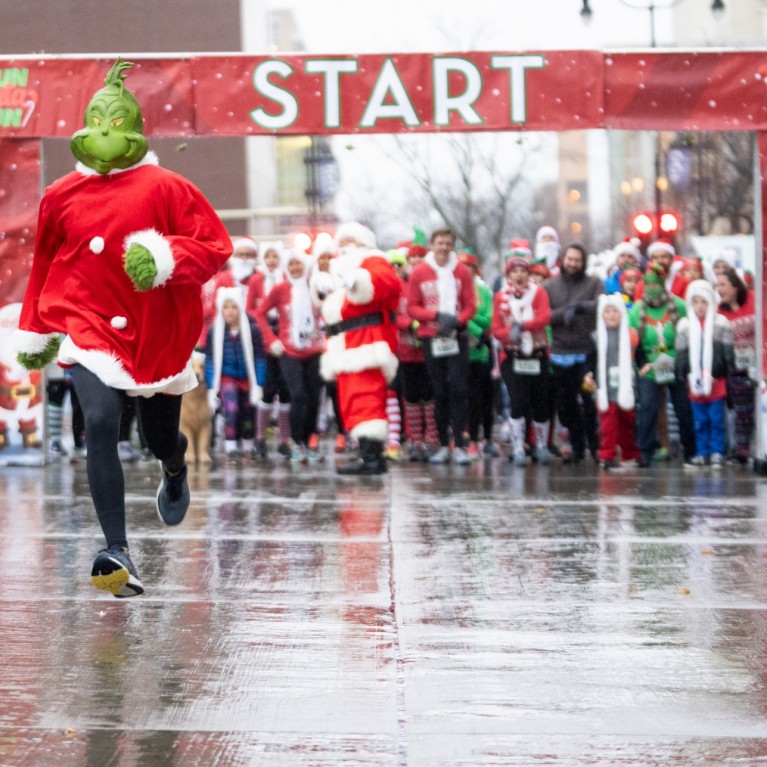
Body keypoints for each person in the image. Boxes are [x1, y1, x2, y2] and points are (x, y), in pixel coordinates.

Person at [13, 59, 232, 597]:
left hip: (155, 335)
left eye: (117, 123)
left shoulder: (169, 187)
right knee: (103, 418)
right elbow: (43, 265)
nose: (106, 132)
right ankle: (118, 549)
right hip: (88, 329)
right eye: (98, 121)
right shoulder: (59, 195)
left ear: (133, 130)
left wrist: (164, 257)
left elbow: (215, 247)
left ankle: (175, 463)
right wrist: (36, 327)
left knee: (157, 436)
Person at [317, 222, 401, 475]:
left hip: (365, 342)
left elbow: (387, 283)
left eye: (349, 241)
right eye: (340, 242)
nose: (343, 247)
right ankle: (367, 453)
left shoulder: (374, 261)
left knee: (367, 398)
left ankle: (373, 458)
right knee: (352, 400)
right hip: (346, 344)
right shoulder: (342, 269)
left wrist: (359, 279)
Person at [407, 228, 476, 465]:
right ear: (432, 245)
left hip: (456, 336)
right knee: (439, 390)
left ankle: (460, 444)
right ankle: (443, 445)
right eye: (440, 243)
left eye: (448, 243)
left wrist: (456, 320)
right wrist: (436, 316)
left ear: (452, 245)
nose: (444, 247)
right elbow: (412, 307)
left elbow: (470, 305)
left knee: (459, 388)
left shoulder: (462, 271)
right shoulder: (419, 272)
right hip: (431, 336)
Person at [256, 248, 326, 463]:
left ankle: (308, 442)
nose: (295, 268)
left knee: (314, 397)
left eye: (299, 264)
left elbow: (330, 308)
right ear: (287, 268)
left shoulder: (316, 286)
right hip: (289, 351)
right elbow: (259, 313)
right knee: (298, 395)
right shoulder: (280, 289)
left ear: (305, 266)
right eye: (291, 265)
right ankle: (295, 443)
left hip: (315, 349)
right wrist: (272, 340)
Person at [629, 263, 696, 467]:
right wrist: (642, 364)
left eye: (656, 284)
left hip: (674, 361)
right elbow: (633, 341)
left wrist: (681, 361)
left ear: (663, 284)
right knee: (647, 406)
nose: (652, 288)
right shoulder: (637, 310)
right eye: (648, 284)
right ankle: (645, 450)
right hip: (649, 364)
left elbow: (688, 336)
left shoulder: (680, 306)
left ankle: (690, 450)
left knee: (682, 407)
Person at [544, 242, 603, 463]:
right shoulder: (550, 286)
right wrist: (564, 313)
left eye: (577, 260)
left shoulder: (594, 282)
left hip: (586, 351)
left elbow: (601, 304)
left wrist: (580, 306)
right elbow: (545, 314)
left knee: (588, 400)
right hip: (560, 352)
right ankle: (577, 447)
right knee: (565, 404)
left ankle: (595, 447)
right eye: (570, 259)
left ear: (583, 262)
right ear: (563, 260)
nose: (573, 263)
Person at [492, 256, 552, 465]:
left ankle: (541, 446)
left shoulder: (539, 292)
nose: (519, 275)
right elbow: (496, 328)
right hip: (513, 356)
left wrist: (524, 326)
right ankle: (518, 448)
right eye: (514, 272)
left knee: (540, 403)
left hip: (537, 354)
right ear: (508, 276)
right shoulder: (501, 297)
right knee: (518, 402)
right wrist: (511, 334)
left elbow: (545, 317)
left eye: (523, 271)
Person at [675, 279, 733, 467]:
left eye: (704, 302)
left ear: (711, 302)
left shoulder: (721, 322)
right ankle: (702, 452)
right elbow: (681, 352)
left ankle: (717, 451)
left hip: (716, 380)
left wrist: (724, 368)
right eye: (696, 301)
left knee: (716, 418)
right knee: (699, 420)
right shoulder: (684, 325)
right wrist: (681, 370)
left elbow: (727, 351)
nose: (700, 306)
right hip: (695, 380)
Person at [204, 288, 266, 461]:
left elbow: (259, 358)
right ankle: (230, 447)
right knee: (231, 409)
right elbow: (210, 360)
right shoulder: (215, 331)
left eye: (234, 307)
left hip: (247, 377)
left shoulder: (252, 330)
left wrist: (258, 385)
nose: (230, 311)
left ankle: (247, 446)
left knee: (248, 412)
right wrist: (211, 388)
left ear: (240, 308)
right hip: (226, 376)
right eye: (226, 307)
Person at [246, 241, 292, 459]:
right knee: (267, 389)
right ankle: (260, 439)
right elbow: (250, 309)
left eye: (275, 256)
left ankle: (284, 439)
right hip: (264, 336)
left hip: (285, 337)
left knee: (285, 389)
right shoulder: (257, 280)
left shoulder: (286, 279)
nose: (272, 261)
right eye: (268, 257)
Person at [585, 294, 639, 470]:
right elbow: (590, 360)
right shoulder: (596, 337)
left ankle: (630, 454)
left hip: (626, 385)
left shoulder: (630, 335)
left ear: (622, 313)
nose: (611, 315)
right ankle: (606, 455)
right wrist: (588, 375)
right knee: (608, 424)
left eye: (615, 311)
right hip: (604, 387)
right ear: (601, 315)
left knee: (627, 422)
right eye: (607, 312)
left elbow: (640, 357)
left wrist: (644, 366)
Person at [715, 267, 756, 464]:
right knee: (741, 410)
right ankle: (741, 448)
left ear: (735, 286)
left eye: (722, 284)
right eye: (717, 285)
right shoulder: (718, 311)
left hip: (758, 362)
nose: (719, 288)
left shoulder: (754, 299)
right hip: (735, 368)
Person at [458, 251, 495, 460]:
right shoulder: (454, 289)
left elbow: (489, 317)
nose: (465, 271)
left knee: (483, 397)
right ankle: (468, 438)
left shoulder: (483, 290)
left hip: (481, 353)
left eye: (468, 267)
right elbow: (460, 316)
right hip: (461, 351)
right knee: (463, 396)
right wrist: (476, 327)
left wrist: (473, 320)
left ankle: (486, 438)